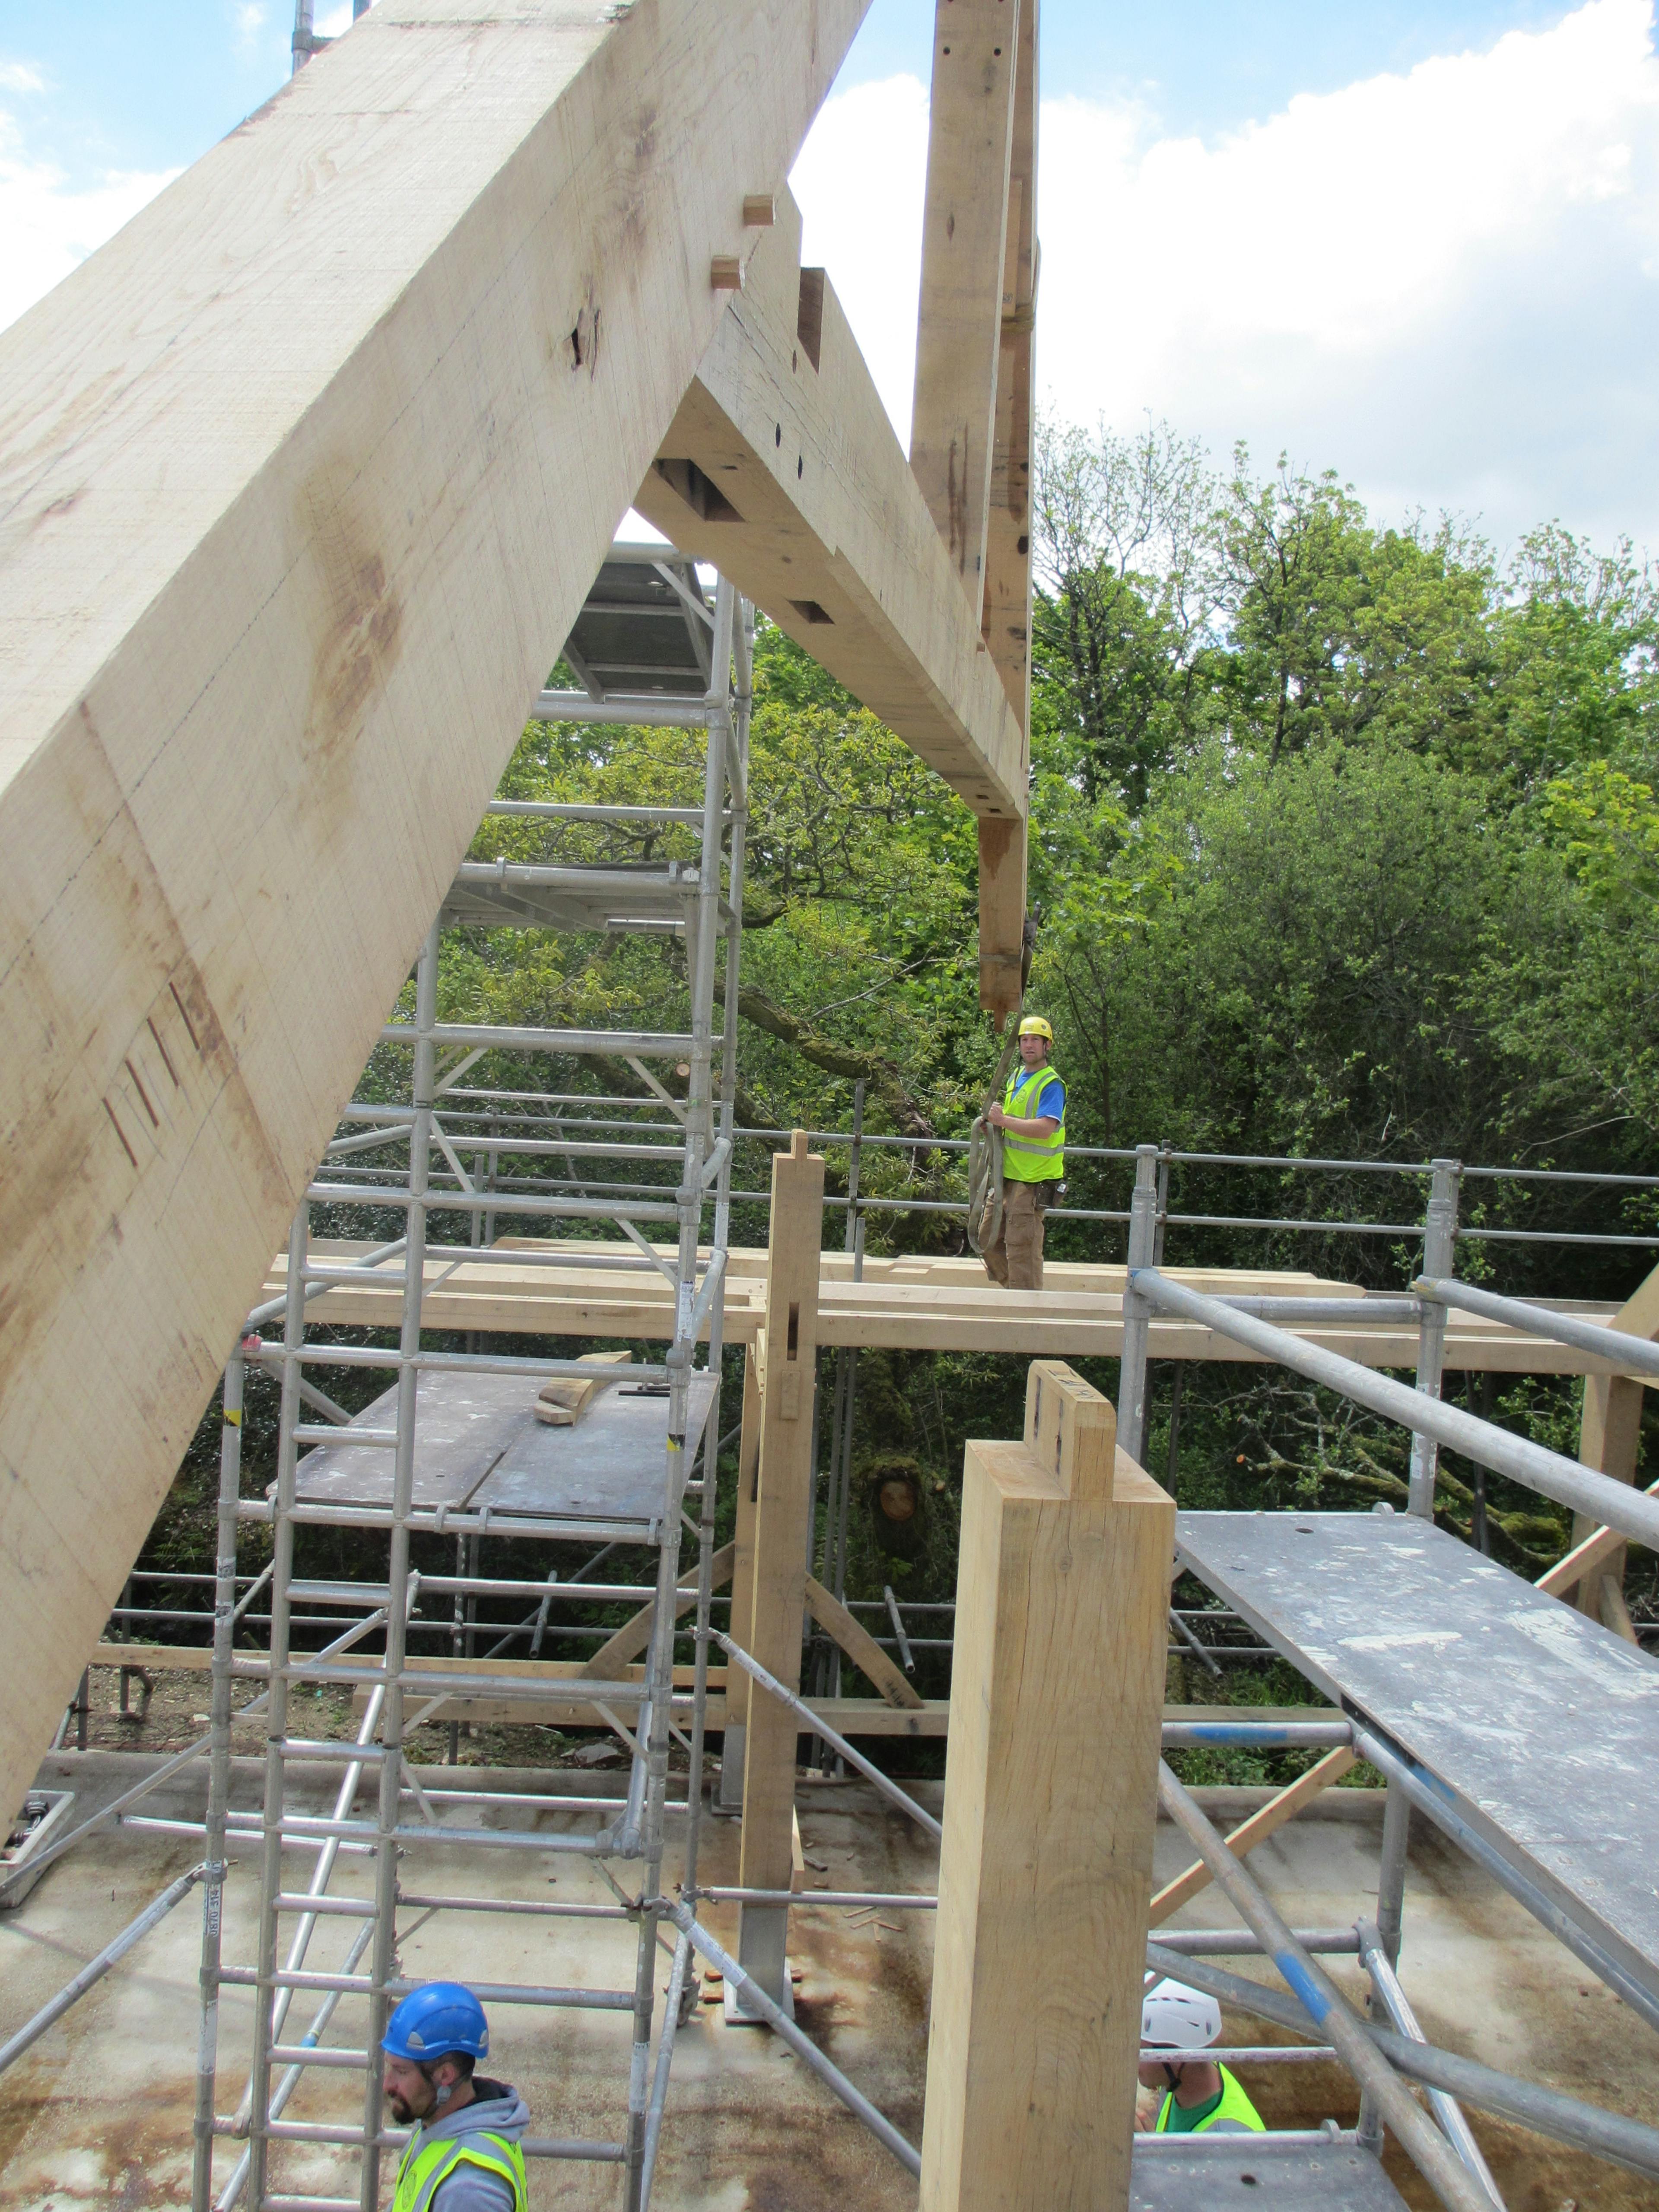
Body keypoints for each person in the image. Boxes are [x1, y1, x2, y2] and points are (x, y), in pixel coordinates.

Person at [382, 1983, 530, 2212]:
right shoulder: (437, 2125)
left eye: (402, 2072)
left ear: (445, 2075)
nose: (387, 2084)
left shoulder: (468, 2191)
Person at [982, 1014, 1066, 1292]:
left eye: (1036, 1040)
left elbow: (1045, 1129)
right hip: (1007, 1176)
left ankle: (1028, 1305)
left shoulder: (1051, 1084)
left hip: (1032, 1181)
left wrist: (1003, 1121)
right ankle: (1018, 1294)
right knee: (987, 1240)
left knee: (1023, 1252)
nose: (1029, 1045)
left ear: (1047, 1046)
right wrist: (993, 1127)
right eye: (1025, 1040)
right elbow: (1012, 1125)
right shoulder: (1017, 1077)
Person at [1138, 1976, 1265, 2136]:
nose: (1132, 2060)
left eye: (1140, 2050)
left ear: (1175, 2057)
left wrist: (1151, 2149)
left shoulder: (1228, 2137)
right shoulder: (1180, 2080)